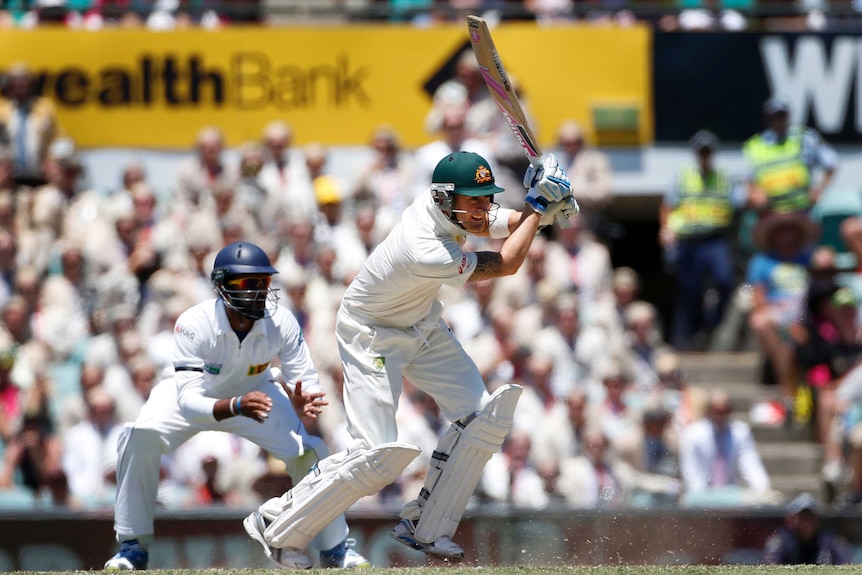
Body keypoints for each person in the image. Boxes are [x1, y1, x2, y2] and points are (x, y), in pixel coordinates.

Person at [248, 151, 576, 563]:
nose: (482, 208)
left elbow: (500, 222)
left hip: (421, 323)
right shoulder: (425, 247)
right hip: (372, 332)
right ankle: (277, 524)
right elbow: (506, 262)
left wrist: (540, 209)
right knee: (376, 458)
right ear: (444, 198)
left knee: (482, 418)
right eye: (473, 199)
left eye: (485, 197)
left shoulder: (454, 210)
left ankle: (427, 527)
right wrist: (540, 206)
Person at [103, 241, 370, 570]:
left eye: (263, 283)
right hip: (189, 393)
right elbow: (188, 401)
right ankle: (132, 547)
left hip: (255, 393)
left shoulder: (281, 321)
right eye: (247, 283)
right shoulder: (193, 322)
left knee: (310, 451)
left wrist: (303, 398)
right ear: (222, 285)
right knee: (137, 436)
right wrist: (235, 405)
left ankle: (335, 549)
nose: (258, 292)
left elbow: (304, 377)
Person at [660, 130, 744, 350]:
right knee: (690, 291)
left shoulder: (725, 178)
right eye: (701, 151)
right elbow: (667, 206)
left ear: (713, 153)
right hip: (689, 242)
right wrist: (665, 229)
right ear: (696, 153)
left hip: (715, 240)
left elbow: (740, 203)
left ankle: (713, 321)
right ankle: (690, 338)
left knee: (725, 281)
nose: (704, 155)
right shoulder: (683, 176)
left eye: (708, 151)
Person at [743, 98, 837, 215]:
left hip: (802, 210)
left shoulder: (804, 137)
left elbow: (831, 163)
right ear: (768, 119)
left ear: (788, 116)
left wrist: (819, 190)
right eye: (775, 117)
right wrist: (755, 192)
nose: (779, 121)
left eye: (782, 116)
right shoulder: (755, 145)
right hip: (770, 212)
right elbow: (747, 179)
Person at [763, 492, 850, 564]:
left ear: (817, 519)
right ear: (792, 519)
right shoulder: (780, 541)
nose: (807, 522)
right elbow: (770, 565)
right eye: (802, 516)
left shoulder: (831, 540)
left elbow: (844, 564)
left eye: (810, 516)